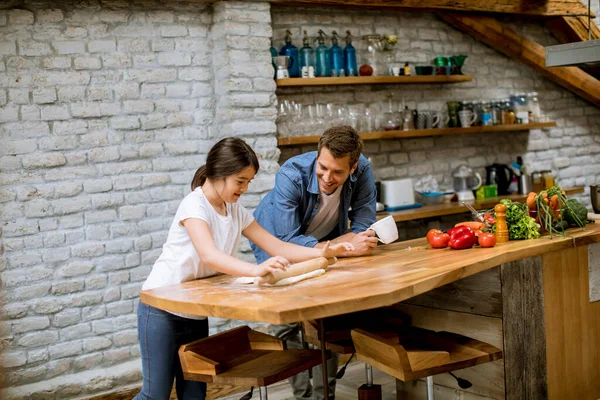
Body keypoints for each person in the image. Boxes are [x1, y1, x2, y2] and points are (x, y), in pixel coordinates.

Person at [134, 137, 353, 400]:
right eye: (240, 181)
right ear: (220, 173)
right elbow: (210, 255)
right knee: (154, 395)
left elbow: (276, 245)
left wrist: (323, 251)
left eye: (249, 182)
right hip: (161, 309)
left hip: (192, 311)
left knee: (194, 395)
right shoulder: (194, 206)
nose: (245, 188)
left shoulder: (234, 210)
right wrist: (254, 270)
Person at [251, 125, 378, 400]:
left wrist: (350, 242)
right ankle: (303, 396)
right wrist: (337, 247)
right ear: (318, 154)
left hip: (324, 239)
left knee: (325, 316)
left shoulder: (363, 169)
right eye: (323, 167)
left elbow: (364, 223)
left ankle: (324, 396)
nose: (328, 178)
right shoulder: (291, 174)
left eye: (338, 172)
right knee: (288, 320)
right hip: (275, 238)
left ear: (353, 167)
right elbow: (286, 239)